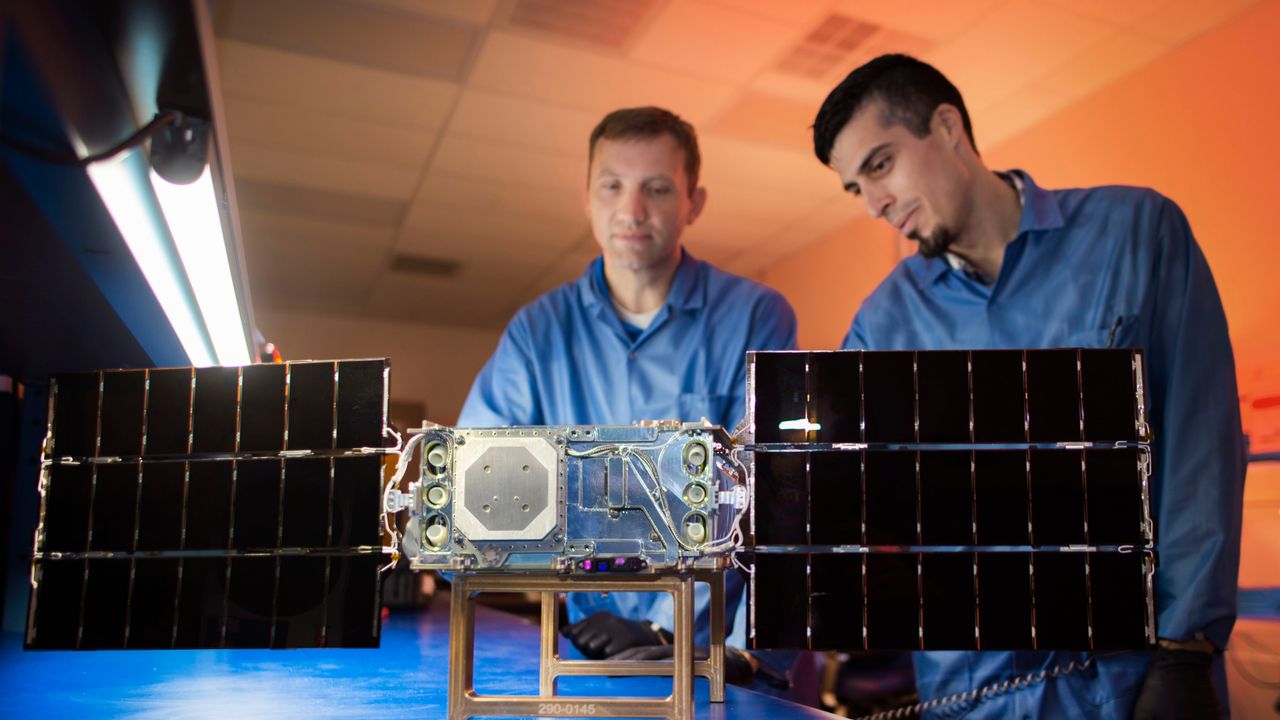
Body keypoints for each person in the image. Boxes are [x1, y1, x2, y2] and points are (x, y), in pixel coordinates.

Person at [810, 54, 1244, 718]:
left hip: (1133, 683)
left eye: (880, 165)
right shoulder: (883, 321)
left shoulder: (1136, 234)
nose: (873, 203)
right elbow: (833, 494)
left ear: (948, 128)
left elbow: (1198, 444)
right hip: (969, 692)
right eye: (855, 188)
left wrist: (1184, 650)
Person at [458, 106, 798, 685]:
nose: (631, 211)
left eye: (657, 188)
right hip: (584, 652)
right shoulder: (537, 333)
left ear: (695, 202)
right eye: (612, 185)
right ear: (586, 197)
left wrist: (732, 650)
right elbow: (474, 488)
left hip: (715, 662)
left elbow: (785, 497)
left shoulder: (757, 317)